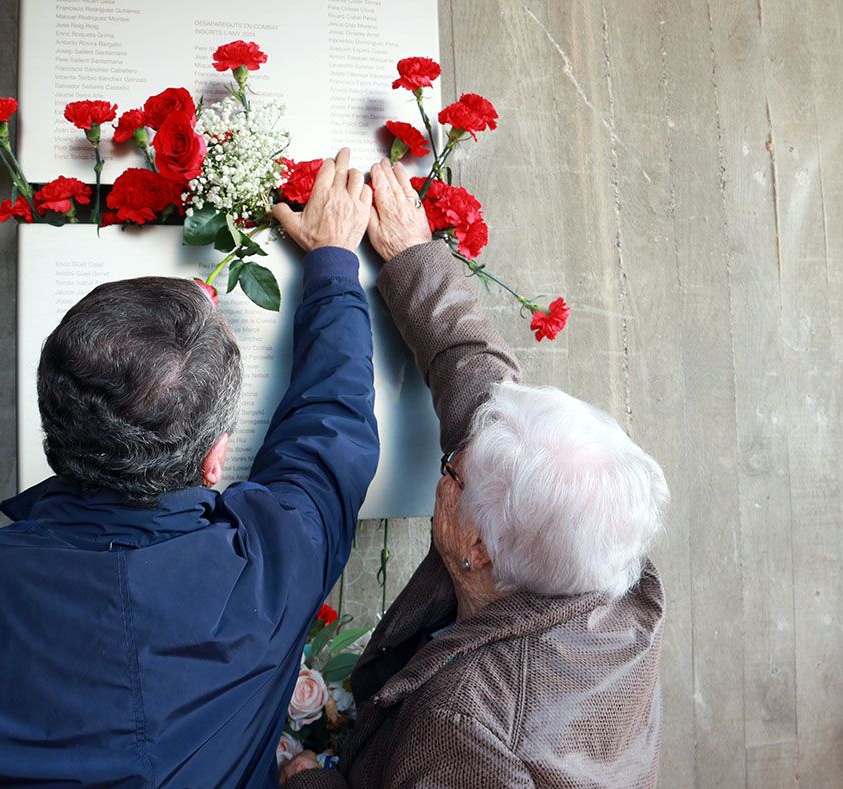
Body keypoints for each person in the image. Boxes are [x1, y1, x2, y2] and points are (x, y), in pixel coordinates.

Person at [0, 149, 378, 787]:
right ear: (213, 460)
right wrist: (335, 263)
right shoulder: (275, 563)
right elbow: (328, 432)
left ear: (52, 424)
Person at [281, 160, 669, 788]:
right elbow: (487, 395)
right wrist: (411, 254)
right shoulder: (605, 560)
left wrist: (306, 782)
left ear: (479, 546)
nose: (452, 462)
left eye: (451, 471)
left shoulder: (462, 727)